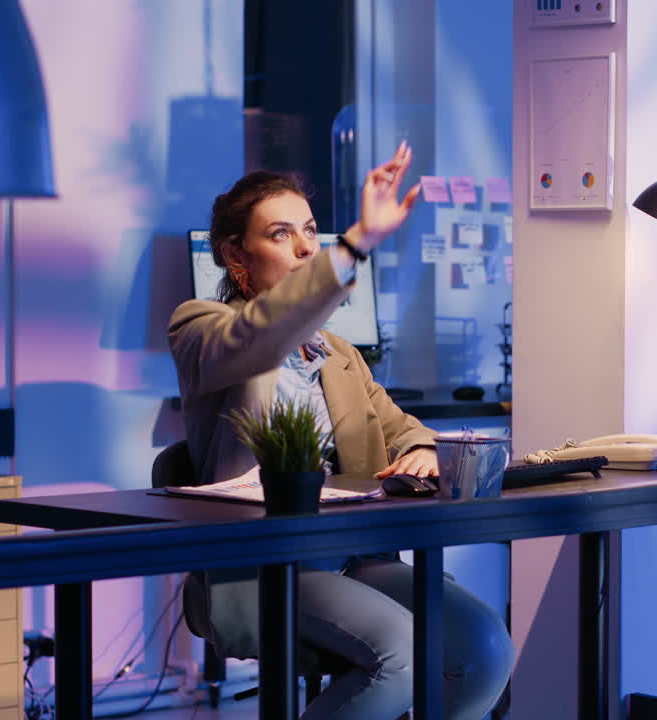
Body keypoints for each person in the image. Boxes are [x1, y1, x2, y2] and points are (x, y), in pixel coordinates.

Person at [168, 141, 514, 719]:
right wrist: (354, 244)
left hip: (354, 557)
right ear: (235, 255)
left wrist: (424, 450)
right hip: (267, 564)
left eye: (310, 231)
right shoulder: (202, 326)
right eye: (281, 234)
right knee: (400, 655)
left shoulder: (339, 354)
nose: (306, 247)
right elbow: (259, 336)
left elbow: (404, 429)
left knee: (482, 646)